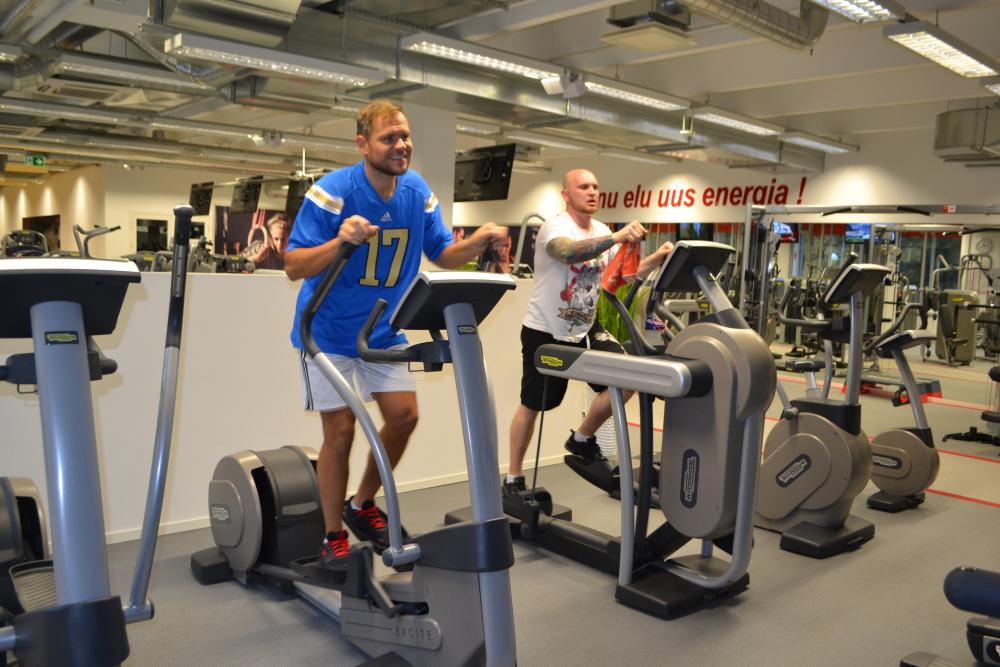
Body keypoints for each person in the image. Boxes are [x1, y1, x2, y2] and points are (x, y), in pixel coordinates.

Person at [284, 100, 508, 571]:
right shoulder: (332, 192)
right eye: (389, 138)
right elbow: (293, 265)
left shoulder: (417, 191)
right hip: (327, 332)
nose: (401, 145)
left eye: (404, 136)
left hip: (384, 330)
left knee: (404, 417)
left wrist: (478, 241)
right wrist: (340, 240)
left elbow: (442, 252)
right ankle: (332, 536)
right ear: (363, 144)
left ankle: (362, 503)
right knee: (340, 432)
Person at [504, 168, 674, 499]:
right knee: (533, 404)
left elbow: (619, 277)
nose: (592, 191)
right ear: (566, 194)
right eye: (584, 187)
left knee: (627, 378)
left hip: (586, 328)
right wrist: (617, 237)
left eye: (596, 186)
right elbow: (569, 252)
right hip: (545, 330)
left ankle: (581, 439)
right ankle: (513, 477)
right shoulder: (555, 227)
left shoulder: (602, 230)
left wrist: (658, 258)